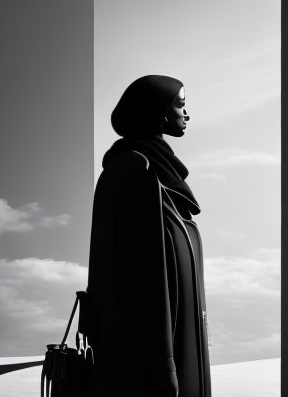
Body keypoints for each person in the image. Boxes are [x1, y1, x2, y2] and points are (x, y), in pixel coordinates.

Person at [86, 75, 211, 397]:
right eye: (180, 104)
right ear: (158, 111)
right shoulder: (132, 170)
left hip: (173, 348)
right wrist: (161, 365)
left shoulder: (160, 176)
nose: (187, 114)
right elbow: (135, 275)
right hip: (149, 361)